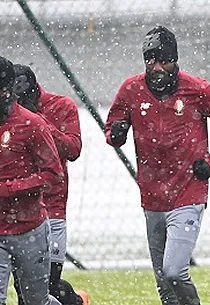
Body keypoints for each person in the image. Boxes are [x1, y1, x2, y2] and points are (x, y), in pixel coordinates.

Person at [105, 26, 210, 305]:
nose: (156, 67)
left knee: (174, 271)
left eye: (163, 60)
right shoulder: (131, 90)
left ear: (175, 60)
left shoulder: (197, 89)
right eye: (150, 60)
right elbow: (113, 127)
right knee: (163, 284)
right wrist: (116, 133)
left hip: (188, 193)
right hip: (152, 195)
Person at [12, 64, 87, 305]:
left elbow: (73, 149)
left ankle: (75, 301)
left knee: (48, 284)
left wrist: (38, 122)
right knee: (24, 289)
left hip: (52, 207)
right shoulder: (6, 113)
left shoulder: (61, 106)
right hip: (17, 213)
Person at [0, 56, 63, 305]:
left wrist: (10, 189)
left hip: (30, 229)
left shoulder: (33, 125)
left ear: (7, 91)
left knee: (36, 300)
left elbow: (53, 174)